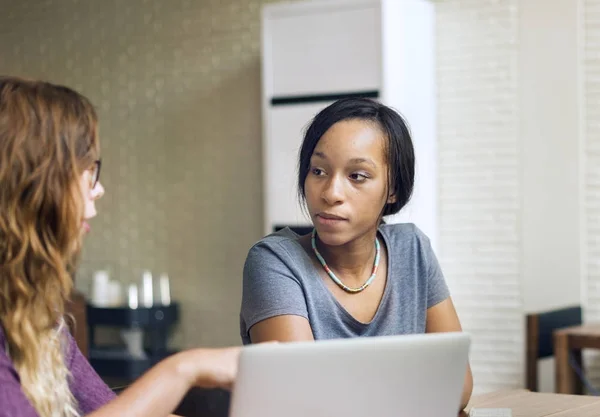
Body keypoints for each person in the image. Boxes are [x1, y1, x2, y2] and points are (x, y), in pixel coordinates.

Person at [0, 76, 240, 417]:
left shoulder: (37, 315)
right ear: (37, 183)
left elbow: (114, 410)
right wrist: (185, 368)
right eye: (86, 169)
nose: (98, 189)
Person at [240, 97, 473, 409]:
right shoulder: (274, 262)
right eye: (318, 170)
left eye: (357, 176)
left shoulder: (412, 249)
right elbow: (303, 400)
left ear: (392, 190)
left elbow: (457, 385)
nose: (331, 193)